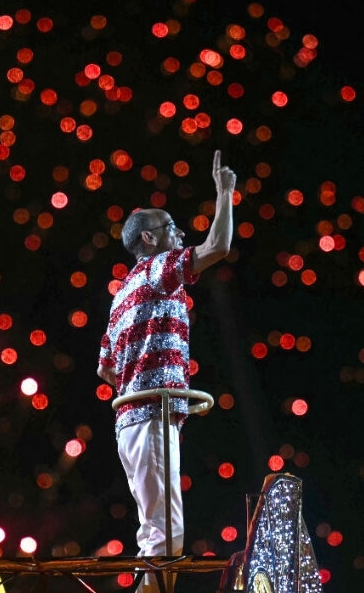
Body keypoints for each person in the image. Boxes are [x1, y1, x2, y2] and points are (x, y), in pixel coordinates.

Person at [97, 150, 235, 590]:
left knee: (156, 532)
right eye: (170, 228)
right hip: (149, 417)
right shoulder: (158, 271)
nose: (179, 233)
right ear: (150, 241)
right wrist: (225, 193)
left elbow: (106, 371)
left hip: (131, 422)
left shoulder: (120, 296)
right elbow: (218, 247)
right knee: (166, 534)